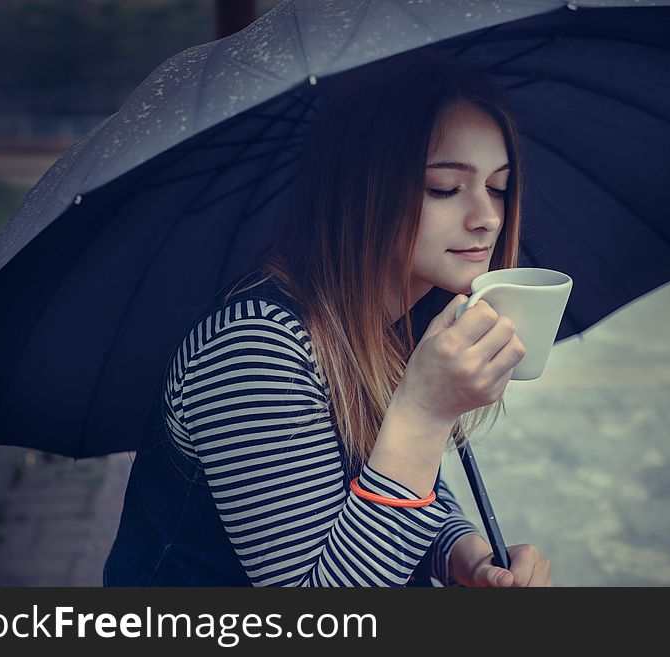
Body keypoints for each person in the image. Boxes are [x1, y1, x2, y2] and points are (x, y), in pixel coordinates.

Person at [103, 48, 553, 587]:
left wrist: (466, 555)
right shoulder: (253, 349)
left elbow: (393, 488)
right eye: (444, 188)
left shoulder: (395, 322)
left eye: (498, 188)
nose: (486, 218)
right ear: (364, 189)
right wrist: (424, 411)